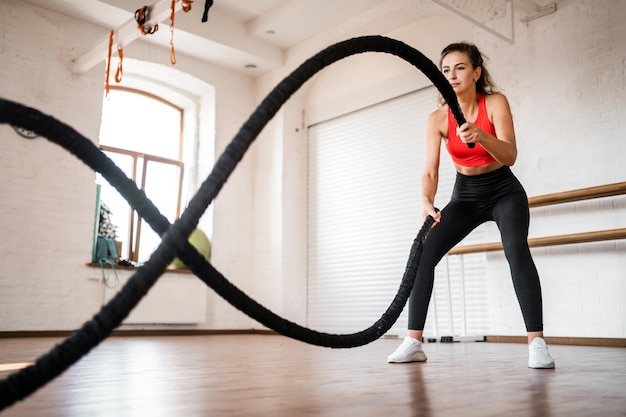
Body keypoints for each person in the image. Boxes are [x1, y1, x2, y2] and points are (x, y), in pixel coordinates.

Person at [387, 42, 555, 369]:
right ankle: (414, 341)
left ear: (476, 72)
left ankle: (537, 344)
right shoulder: (437, 118)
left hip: (503, 191)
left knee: (516, 250)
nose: (452, 75)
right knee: (424, 252)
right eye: (446, 70)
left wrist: (481, 136)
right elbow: (430, 171)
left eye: (460, 67)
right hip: (464, 196)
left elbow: (510, 155)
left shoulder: (494, 103)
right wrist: (426, 201)